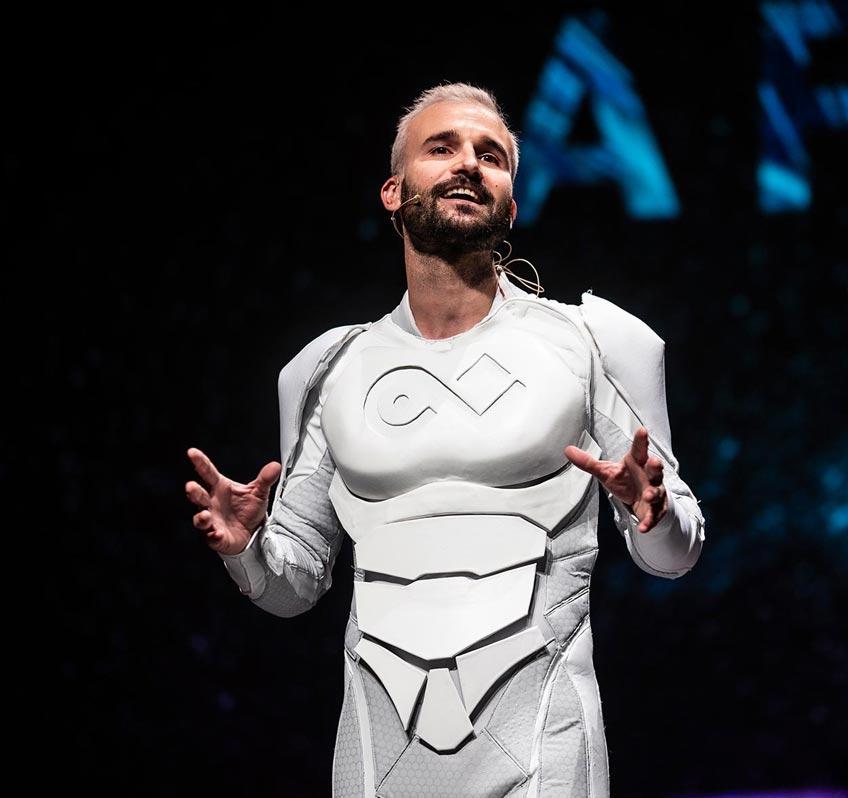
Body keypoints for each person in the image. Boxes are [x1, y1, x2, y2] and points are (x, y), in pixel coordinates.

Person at [184, 81, 706, 797]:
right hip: (379, 760)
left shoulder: (594, 343)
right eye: (443, 148)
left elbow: (673, 557)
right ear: (394, 192)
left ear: (511, 204)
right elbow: (295, 586)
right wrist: (248, 550)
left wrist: (656, 512)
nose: (469, 164)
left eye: (491, 156)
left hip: (544, 754)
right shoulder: (327, 369)